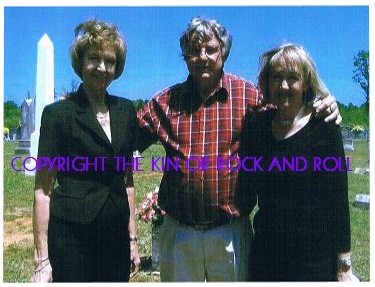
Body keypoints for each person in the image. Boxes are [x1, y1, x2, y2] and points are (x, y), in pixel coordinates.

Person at [136, 17, 340, 282]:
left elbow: (289, 111)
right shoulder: (164, 102)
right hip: (179, 231)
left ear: (223, 53)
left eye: (210, 49)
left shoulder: (249, 96)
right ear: (185, 56)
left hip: (229, 232)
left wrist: (323, 104)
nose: (203, 57)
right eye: (194, 50)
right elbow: (125, 137)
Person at [238, 43, 359, 281]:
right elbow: (245, 187)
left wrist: (344, 263)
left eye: (292, 78)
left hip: (313, 260)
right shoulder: (257, 127)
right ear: (268, 82)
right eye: (277, 77)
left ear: (305, 84)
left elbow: (337, 199)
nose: (283, 86)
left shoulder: (323, 129)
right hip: (266, 256)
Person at [32, 19, 140, 282]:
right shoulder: (58, 114)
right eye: (94, 58)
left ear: (117, 67)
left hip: (115, 236)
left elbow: (127, 181)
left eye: (110, 61)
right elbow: (43, 190)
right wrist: (42, 259)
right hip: (71, 237)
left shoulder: (126, 111)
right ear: (80, 62)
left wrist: (133, 239)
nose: (102, 68)